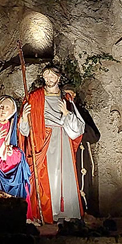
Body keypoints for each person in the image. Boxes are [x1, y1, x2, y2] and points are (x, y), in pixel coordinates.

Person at [20, 64, 86, 223]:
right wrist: (23, 118)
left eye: (51, 76)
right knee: (45, 176)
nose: (48, 79)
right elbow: (24, 129)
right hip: (42, 139)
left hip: (62, 139)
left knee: (63, 175)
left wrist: (67, 114)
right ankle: (46, 211)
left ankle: (63, 212)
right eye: (46, 76)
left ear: (58, 77)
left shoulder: (66, 99)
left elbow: (78, 128)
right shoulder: (34, 97)